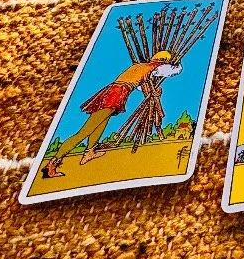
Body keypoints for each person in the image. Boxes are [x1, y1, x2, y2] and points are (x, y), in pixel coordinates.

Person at [41, 51, 175, 177]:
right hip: (115, 95)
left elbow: (139, 85)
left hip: (112, 91)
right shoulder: (155, 67)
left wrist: (153, 91)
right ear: (162, 61)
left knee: (100, 124)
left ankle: (89, 152)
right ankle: (52, 164)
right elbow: (173, 71)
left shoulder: (141, 67)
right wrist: (175, 63)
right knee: (85, 131)